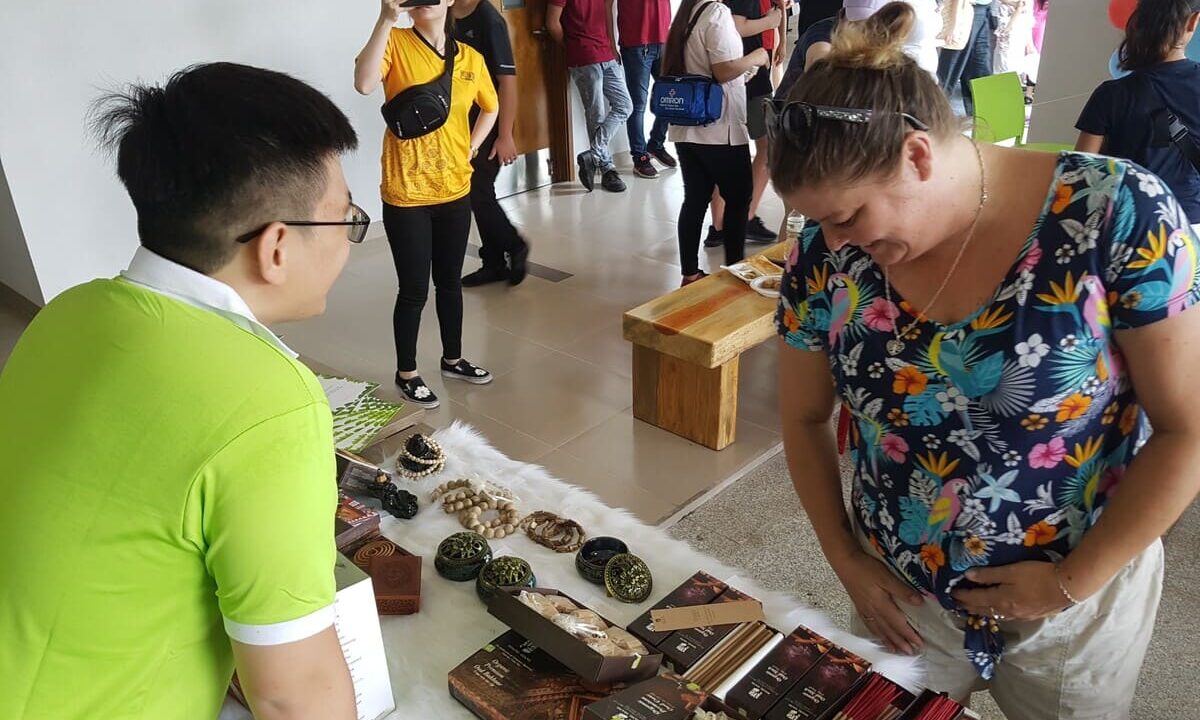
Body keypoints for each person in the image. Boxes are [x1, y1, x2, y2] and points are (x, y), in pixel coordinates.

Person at [770, 5, 1200, 718]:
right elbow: (803, 415)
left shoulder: (1116, 214)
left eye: (846, 216)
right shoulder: (823, 254)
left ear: (917, 155)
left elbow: (1188, 429)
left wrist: (1068, 584)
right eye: (817, 222)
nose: (833, 243)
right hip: (902, 594)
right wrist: (844, 558)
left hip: (1074, 604)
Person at [0, 62, 362, 719]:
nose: (349, 242)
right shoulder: (271, 403)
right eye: (345, 221)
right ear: (277, 248)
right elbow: (292, 694)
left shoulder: (67, 312)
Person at [355, 0, 499, 409]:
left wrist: (471, 147)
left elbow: (491, 106)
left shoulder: (469, 57)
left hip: (455, 189)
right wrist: (386, 18)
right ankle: (407, 373)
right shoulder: (395, 42)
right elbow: (364, 84)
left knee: (450, 282)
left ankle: (453, 359)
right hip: (406, 192)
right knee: (414, 288)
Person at [665, 0, 771, 285]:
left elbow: (709, 70)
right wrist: (756, 57)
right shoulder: (716, 12)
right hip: (718, 129)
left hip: (687, 126)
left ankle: (690, 273)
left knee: (695, 198)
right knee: (738, 198)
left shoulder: (687, 13)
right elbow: (723, 71)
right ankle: (736, 271)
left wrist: (743, 73)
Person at [1076, 0, 1200, 225]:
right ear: (1193, 21)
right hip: (1192, 223)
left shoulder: (1110, 94)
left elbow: (1080, 169)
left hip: (1127, 225)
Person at [453, 0, 532, 288]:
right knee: (476, 192)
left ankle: (514, 245)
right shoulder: (444, 13)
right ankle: (494, 263)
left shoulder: (488, 20)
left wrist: (505, 134)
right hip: (458, 124)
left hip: (487, 123)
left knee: (478, 191)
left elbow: (507, 82)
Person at [547, 0, 634, 192]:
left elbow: (607, 12)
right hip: (584, 56)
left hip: (606, 54)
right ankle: (607, 169)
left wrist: (612, 46)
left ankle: (592, 155)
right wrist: (571, 47)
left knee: (625, 106)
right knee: (596, 115)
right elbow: (552, 23)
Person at [778, 0, 941, 100]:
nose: (863, 31)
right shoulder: (823, 34)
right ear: (843, 16)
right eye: (857, 23)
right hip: (795, 122)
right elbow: (819, 69)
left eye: (872, 25)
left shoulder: (892, 51)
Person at [614, 0, 677, 179]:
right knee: (637, 104)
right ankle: (640, 156)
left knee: (671, 98)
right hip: (636, 44)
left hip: (664, 41)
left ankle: (656, 143)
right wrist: (611, 43)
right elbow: (606, 5)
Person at [937, 0, 995, 117]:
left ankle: (980, 118)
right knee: (950, 70)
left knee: (979, 70)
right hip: (965, 12)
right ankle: (934, 115)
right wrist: (954, 25)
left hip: (982, 10)